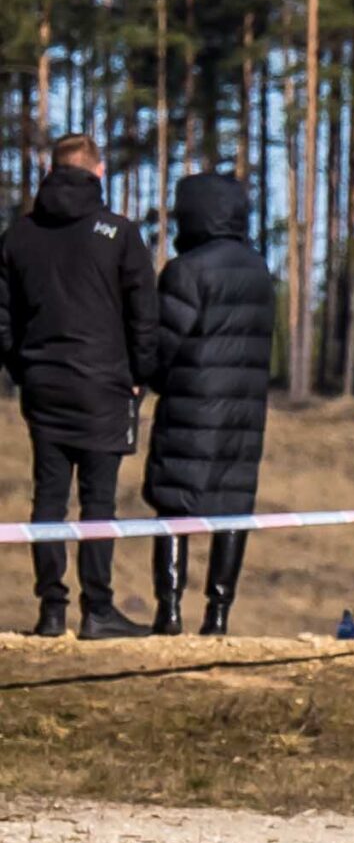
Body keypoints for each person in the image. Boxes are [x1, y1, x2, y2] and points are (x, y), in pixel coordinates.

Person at [0, 133, 160, 639]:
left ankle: (51, 609)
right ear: (98, 172)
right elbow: (144, 315)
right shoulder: (118, 232)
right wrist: (141, 375)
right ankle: (98, 610)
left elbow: (3, 319)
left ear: (52, 171)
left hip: (43, 385)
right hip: (104, 384)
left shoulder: (18, 236)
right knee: (98, 502)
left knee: (47, 499)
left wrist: (24, 370)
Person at [141, 172, 271, 637]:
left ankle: (169, 611)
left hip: (190, 410)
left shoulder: (186, 270)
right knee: (233, 508)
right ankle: (218, 615)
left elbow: (162, 346)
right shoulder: (259, 270)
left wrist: (148, 378)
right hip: (245, 416)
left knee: (174, 506)